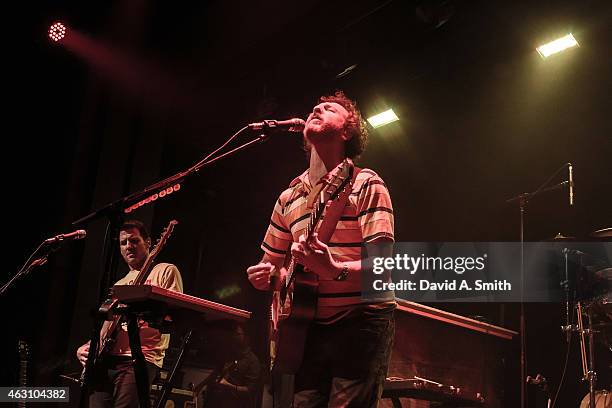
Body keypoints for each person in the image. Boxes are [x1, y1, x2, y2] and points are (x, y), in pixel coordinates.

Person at [246, 91, 395, 407]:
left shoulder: (364, 184)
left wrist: (334, 270)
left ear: (346, 132)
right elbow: (273, 265)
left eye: (330, 109)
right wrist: (268, 276)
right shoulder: (288, 198)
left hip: (361, 321)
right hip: (306, 328)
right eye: (315, 106)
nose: (317, 108)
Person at [76, 219, 183, 408]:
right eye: (123, 243)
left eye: (134, 241)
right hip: (105, 361)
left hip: (139, 358)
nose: (128, 247)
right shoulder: (120, 284)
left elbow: (173, 317)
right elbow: (105, 329)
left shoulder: (165, 270)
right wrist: (87, 348)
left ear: (149, 242)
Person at [203, 322, 262, 408]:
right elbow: (216, 372)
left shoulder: (253, 361)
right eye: (234, 334)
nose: (234, 336)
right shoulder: (230, 354)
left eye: (238, 334)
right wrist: (200, 386)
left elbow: (250, 390)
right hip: (219, 402)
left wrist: (227, 385)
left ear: (246, 338)